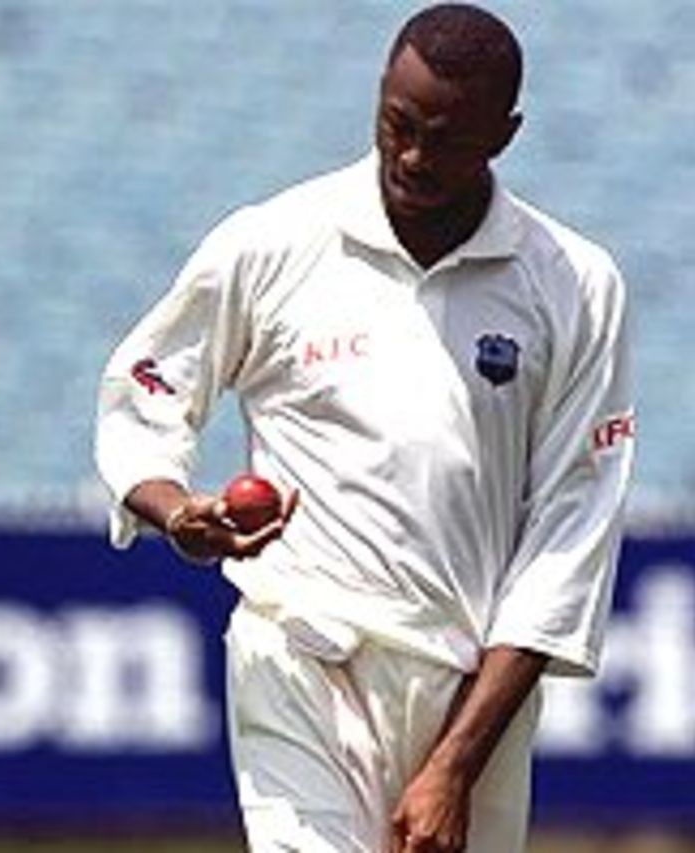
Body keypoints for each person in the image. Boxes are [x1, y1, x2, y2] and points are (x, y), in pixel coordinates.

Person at [94, 4, 634, 852]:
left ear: (505, 133)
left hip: (469, 693)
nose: (414, 158)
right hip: (300, 654)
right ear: (379, 97)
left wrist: (455, 765)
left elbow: (572, 532)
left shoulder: (573, 285)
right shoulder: (274, 243)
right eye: (398, 125)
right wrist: (174, 509)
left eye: (448, 140)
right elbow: (150, 385)